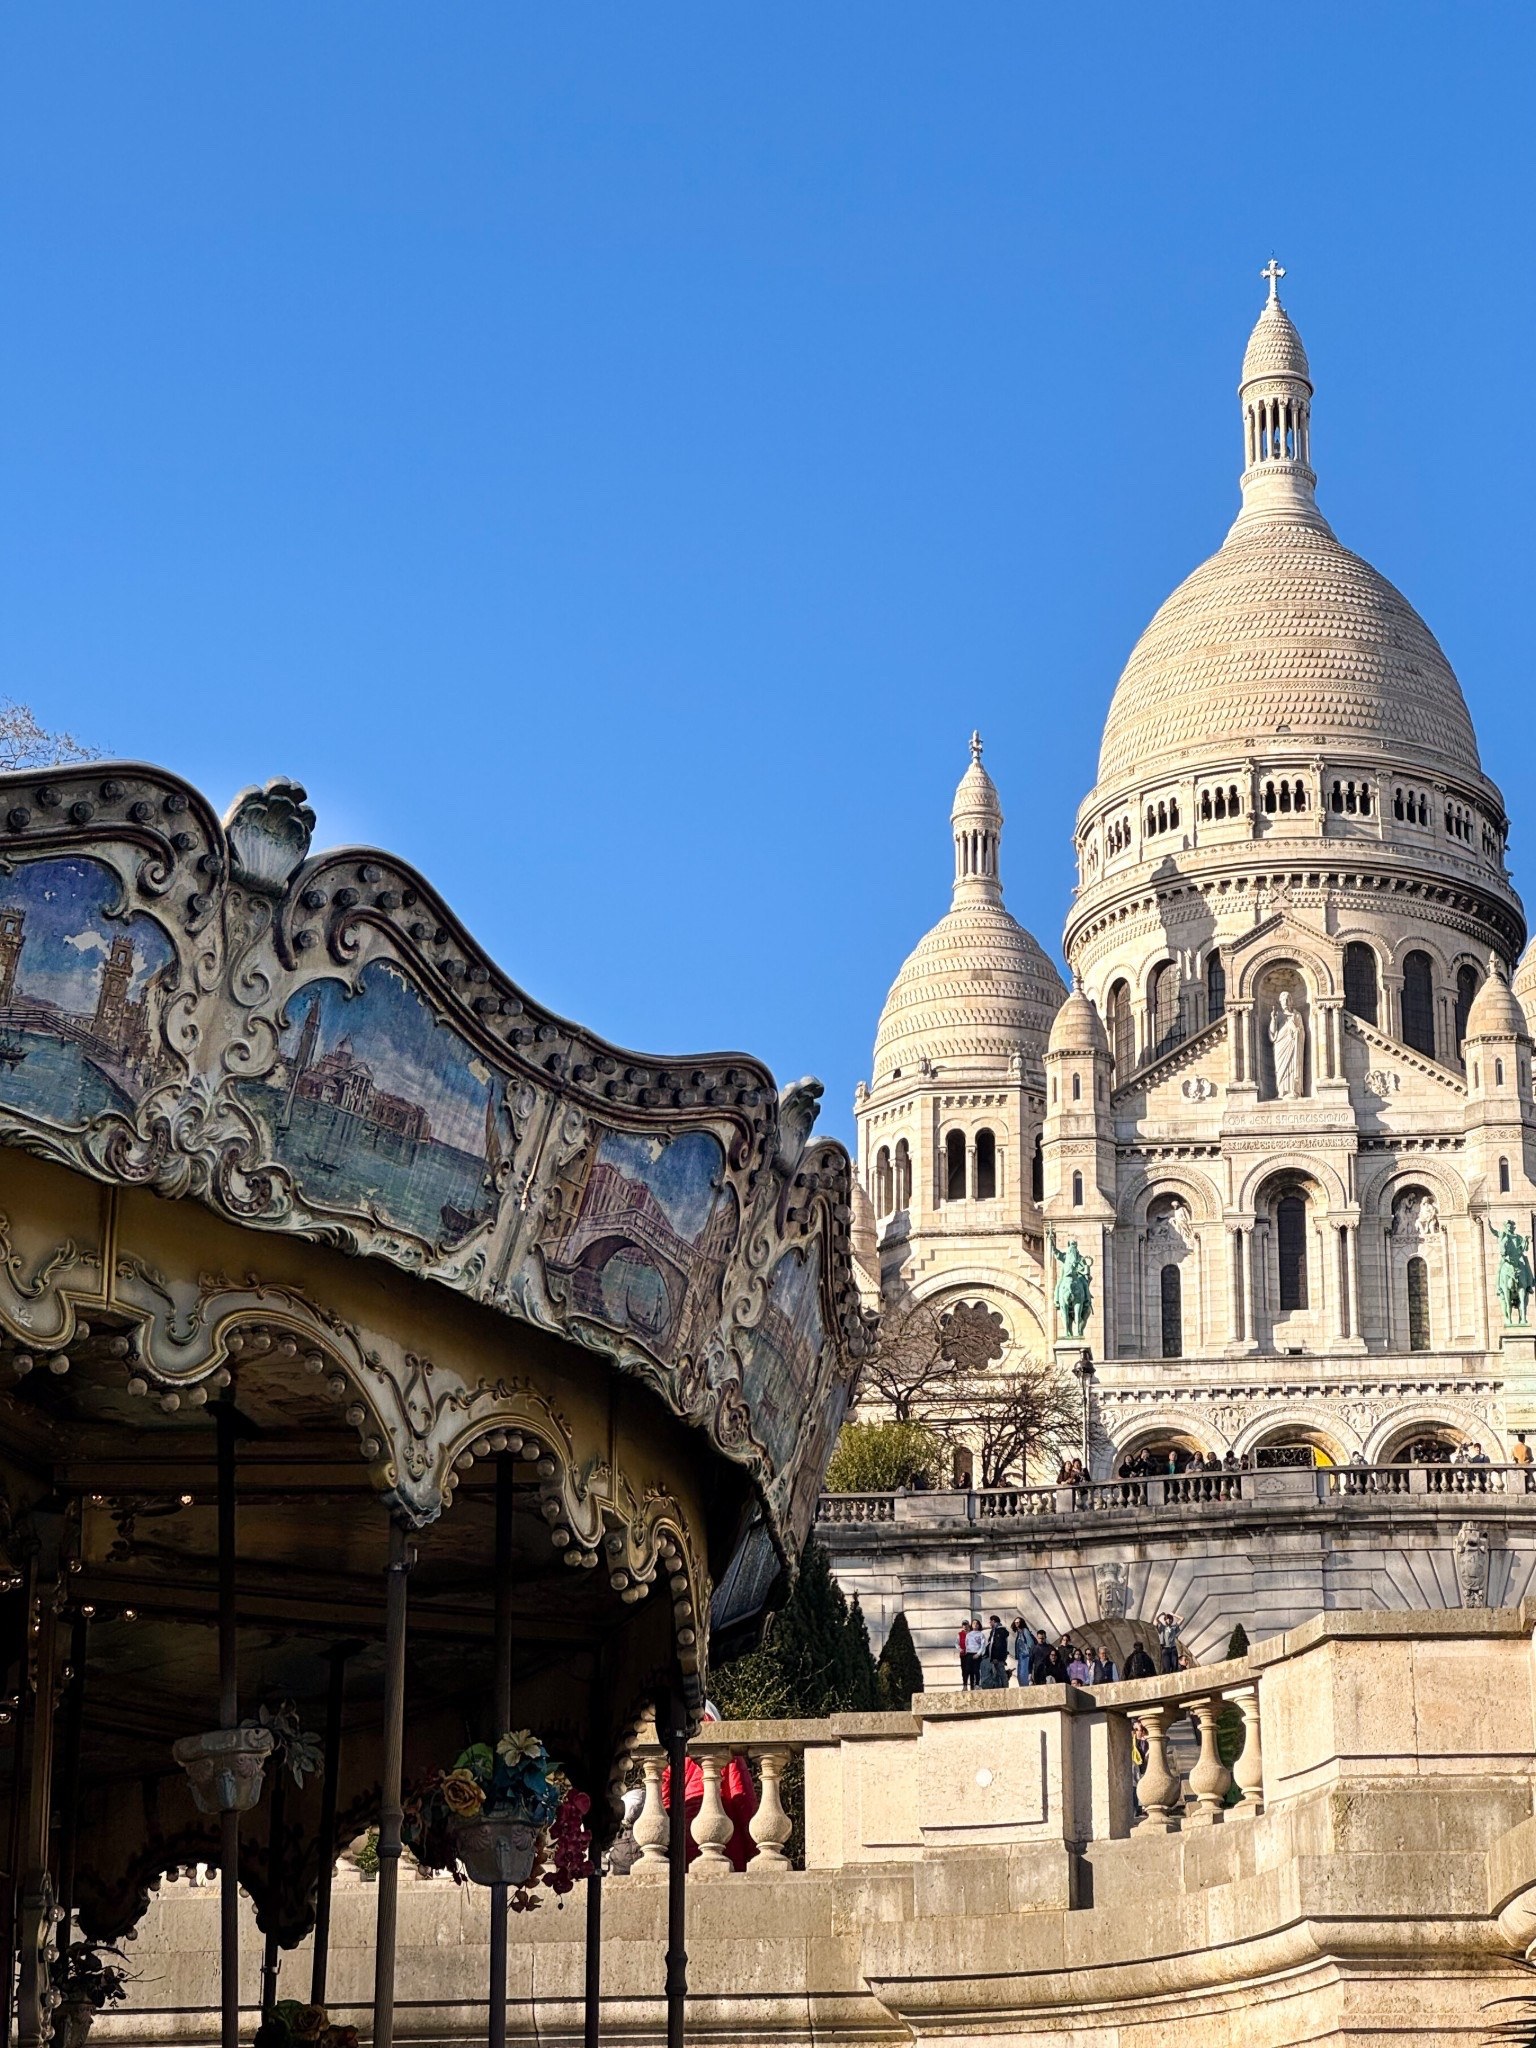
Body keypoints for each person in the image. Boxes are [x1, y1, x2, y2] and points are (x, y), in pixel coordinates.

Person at [659, 1701, 758, 1869]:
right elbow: (743, 1800)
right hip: (726, 1842)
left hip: (684, 1840)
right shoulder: (729, 1754)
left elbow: (663, 1802)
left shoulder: (672, 1756)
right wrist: (755, 1849)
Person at [984, 1615, 1011, 1689]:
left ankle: (1005, 1688)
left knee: (1001, 1673)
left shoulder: (1000, 1631)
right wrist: (986, 1654)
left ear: (993, 1621)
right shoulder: (994, 1631)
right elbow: (990, 1644)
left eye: (990, 1621)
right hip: (993, 1658)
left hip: (998, 1658)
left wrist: (996, 1657)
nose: (989, 1623)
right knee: (995, 1674)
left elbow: (999, 1646)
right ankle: (998, 1688)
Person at [1156, 1610, 1183, 1674]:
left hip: (1173, 1648)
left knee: (1174, 1667)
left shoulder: (1174, 1627)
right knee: (1166, 1667)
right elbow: (1156, 1619)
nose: (1169, 1620)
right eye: (1168, 1619)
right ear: (1165, 1620)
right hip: (1165, 1649)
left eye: (1170, 1619)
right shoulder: (1162, 1627)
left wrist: (1173, 1614)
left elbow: (1182, 1619)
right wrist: (1161, 1614)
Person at [1011, 1615, 1036, 1685]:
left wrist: (1030, 1653)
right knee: (1020, 1675)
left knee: (1024, 1674)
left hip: (1026, 1656)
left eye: (1018, 1622)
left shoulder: (1025, 1631)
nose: (1016, 1624)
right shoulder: (1019, 1633)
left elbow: (1030, 1643)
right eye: (1015, 1622)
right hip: (1021, 1657)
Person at [963, 1618, 986, 1690]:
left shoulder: (981, 1634)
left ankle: (977, 1685)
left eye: (976, 1623)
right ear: (971, 1625)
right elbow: (966, 1644)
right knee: (967, 1670)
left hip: (977, 1654)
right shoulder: (968, 1634)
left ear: (979, 1625)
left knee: (976, 1670)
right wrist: (966, 1653)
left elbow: (983, 1645)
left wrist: (978, 1654)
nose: (975, 1625)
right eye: (973, 1623)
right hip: (969, 1654)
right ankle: (965, 1685)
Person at [957, 1617, 974, 1690]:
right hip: (963, 1655)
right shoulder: (960, 1634)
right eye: (963, 1625)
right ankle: (965, 1685)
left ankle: (972, 1686)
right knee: (964, 1670)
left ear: (968, 1625)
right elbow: (956, 1643)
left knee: (972, 1670)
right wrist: (960, 1649)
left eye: (966, 1624)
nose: (965, 1626)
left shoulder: (972, 1633)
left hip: (971, 1654)